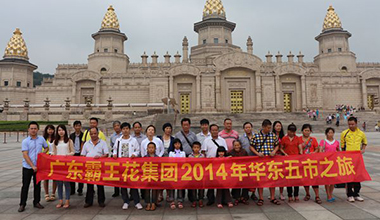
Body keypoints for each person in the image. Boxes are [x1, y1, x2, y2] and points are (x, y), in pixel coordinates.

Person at [18, 121, 49, 212]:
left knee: (37, 185)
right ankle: (22, 204)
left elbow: (46, 147)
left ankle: (36, 202)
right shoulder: (25, 141)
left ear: (38, 129)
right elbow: (25, 155)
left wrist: (43, 153)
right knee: (25, 186)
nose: (33, 130)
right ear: (28, 130)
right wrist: (32, 166)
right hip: (28, 167)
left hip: (38, 167)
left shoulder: (41, 139)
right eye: (31, 128)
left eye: (35, 128)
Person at [112, 122, 143, 210]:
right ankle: (126, 201)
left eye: (127, 129)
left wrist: (134, 154)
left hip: (131, 165)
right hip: (121, 165)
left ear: (130, 130)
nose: (125, 131)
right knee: (123, 184)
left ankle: (137, 202)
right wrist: (114, 154)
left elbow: (138, 150)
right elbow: (114, 150)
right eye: (123, 129)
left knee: (133, 184)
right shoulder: (118, 140)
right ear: (121, 130)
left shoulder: (133, 140)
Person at [250, 119, 280, 206]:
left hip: (271, 161)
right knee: (261, 180)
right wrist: (257, 153)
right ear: (263, 127)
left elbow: (277, 145)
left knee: (272, 180)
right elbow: (251, 146)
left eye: (270, 128)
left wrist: (274, 151)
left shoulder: (273, 135)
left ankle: (273, 197)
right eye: (268, 128)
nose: (269, 129)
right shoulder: (256, 136)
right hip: (260, 161)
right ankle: (261, 198)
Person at [341, 117, 367, 202]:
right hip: (348, 158)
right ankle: (350, 194)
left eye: (352, 124)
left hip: (357, 158)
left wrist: (363, 149)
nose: (351, 126)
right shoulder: (344, 133)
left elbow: (364, 142)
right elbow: (342, 146)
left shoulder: (361, 133)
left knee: (357, 176)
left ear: (356, 123)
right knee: (349, 176)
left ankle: (356, 193)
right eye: (349, 124)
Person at [81, 127, 109, 208]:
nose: (93, 135)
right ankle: (88, 201)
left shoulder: (102, 142)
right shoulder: (86, 143)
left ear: (98, 133)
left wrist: (100, 157)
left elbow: (106, 154)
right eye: (91, 134)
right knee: (89, 185)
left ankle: (101, 201)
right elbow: (83, 155)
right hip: (89, 167)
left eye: (95, 133)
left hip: (99, 166)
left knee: (100, 184)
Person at [201, 124, 228, 206]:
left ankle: (223, 199)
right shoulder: (206, 140)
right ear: (210, 131)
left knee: (221, 182)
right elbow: (203, 151)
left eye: (216, 130)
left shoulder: (222, 140)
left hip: (221, 165)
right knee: (211, 182)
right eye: (213, 130)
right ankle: (210, 199)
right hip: (210, 164)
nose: (214, 131)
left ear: (218, 131)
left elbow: (225, 151)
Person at [52, 124, 74, 209]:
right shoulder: (55, 141)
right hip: (58, 165)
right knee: (59, 183)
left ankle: (67, 200)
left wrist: (67, 155)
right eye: (59, 130)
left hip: (66, 164)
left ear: (65, 131)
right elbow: (54, 152)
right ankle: (60, 200)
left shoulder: (69, 141)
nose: (61, 132)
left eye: (62, 130)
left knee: (66, 183)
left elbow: (73, 152)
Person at [299, 124, 322, 204]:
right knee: (305, 179)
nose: (307, 132)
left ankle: (317, 195)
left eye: (308, 130)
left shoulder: (313, 139)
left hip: (312, 163)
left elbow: (317, 149)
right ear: (302, 131)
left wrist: (313, 153)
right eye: (305, 130)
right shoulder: (299, 139)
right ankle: (307, 194)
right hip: (303, 162)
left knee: (314, 179)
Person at [280, 123, 302, 202]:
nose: (292, 133)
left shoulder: (297, 138)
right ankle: (289, 195)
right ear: (288, 131)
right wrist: (285, 153)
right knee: (289, 179)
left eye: (293, 132)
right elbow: (281, 148)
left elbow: (300, 147)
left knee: (296, 179)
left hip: (296, 161)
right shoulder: (284, 138)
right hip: (287, 161)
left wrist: (301, 154)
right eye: (290, 131)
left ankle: (296, 195)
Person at [319, 127, 340, 203]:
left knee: (333, 180)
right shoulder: (323, 141)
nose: (330, 134)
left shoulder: (336, 142)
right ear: (326, 134)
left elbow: (338, 151)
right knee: (327, 180)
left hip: (334, 163)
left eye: (332, 133)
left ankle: (331, 193)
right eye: (329, 133)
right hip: (326, 163)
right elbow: (320, 151)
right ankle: (328, 195)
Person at [229, 140, 249, 206]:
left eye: (238, 145)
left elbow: (248, 160)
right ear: (233, 146)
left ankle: (244, 198)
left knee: (245, 184)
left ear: (240, 145)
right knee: (236, 185)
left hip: (243, 171)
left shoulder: (244, 152)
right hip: (235, 171)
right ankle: (237, 198)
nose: (237, 146)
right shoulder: (230, 152)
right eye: (235, 145)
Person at [168, 138, 186, 209]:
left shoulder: (183, 153)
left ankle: (180, 200)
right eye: (175, 144)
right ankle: (172, 200)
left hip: (180, 171)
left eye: (178, 144)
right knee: (172, 186)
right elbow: (170, 162)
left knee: (180, 186)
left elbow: (184, 162)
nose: (177, 145)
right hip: (173, 171)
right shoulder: (171, 153)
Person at [43, 124, 57, 202]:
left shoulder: (56, 139)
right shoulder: (43, 139)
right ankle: (46, 193)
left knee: (54, 177)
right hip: (46, 159)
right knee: (46, 177)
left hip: (54, 158)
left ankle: (53, 193)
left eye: (51, 129)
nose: (50, 131)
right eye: (49, 129)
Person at [188, 141, 205, 208]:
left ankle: (200, 199)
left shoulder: (202, 156)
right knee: (193, 188)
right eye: (195, 147)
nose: (196, 149)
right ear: (192, 148)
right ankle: (194, 200)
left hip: (201, 174)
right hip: (193, 174)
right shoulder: (190, 156)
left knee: (201, 188)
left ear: (200, 148)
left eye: (198, 147)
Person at [69, 121, 84, 195]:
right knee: (72, 172)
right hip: (73, 155)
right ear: (74, 127)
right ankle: (72, 189)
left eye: (79, 126)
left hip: (80, 155)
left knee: (80, 173)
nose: (78, 127)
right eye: (76, 126)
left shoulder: (83, 135)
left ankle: (80, 189)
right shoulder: (71, 136)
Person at [144, 142, 159, 211]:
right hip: (146, 176)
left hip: (155, 176)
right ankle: (147, 203)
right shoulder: (144, 158)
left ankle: (153, 203)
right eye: (149, 148)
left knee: (154, 190)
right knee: (147, 190)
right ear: (147, 149)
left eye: (152, 147)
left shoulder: (157, 158)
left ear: (155, 149)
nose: (151, 149)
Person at [272, 121, 285, 201]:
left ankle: (281, 193)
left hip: (281, 157)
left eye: (280, 126)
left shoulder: (283, 136)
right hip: (273, 157)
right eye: (277, 126)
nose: (278, 127)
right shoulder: (271, 136)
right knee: (272, 176)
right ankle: (272, 193)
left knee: (281, 176)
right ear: (274, 127)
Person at [110, 121, 122, 198]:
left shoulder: (124, 135)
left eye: (118, 125)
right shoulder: (112, 136)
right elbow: (112, 146)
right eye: (115, 126)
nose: (117, 127)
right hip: (115, 157)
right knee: (115, 174)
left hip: (123, 157)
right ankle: (116, 191)